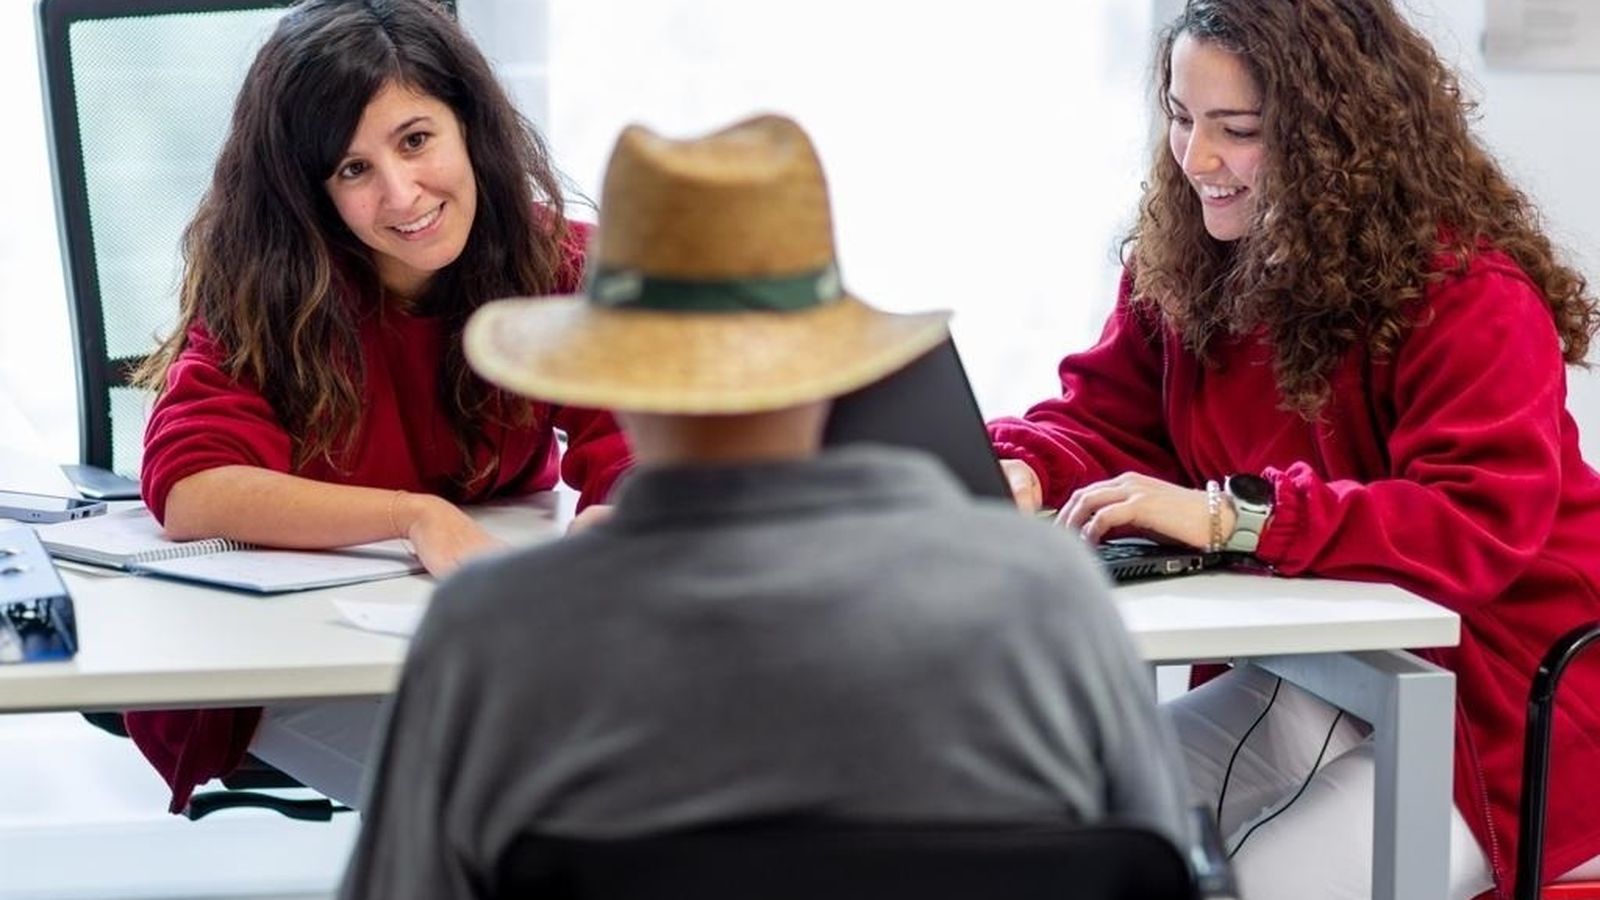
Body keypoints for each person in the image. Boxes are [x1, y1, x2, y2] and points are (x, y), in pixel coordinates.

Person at [339, 114, 1191, 899]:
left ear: (608, 384)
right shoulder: (1045, 597)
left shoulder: (488, 635)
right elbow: (1150, 870)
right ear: (834, 363)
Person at [989, 1, 1600, 897]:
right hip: (1323, 674)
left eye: (1237, 130)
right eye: (1180, 116)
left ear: (1333, 136)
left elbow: (1472, 525)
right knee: (1072, 820)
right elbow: (1112, 419)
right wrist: (1027, 469)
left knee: (1251, 882)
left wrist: (1229, 518)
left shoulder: (1472, 292)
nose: (1196, 160)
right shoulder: (1193, 263)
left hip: (1505, 704)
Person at [124, 0, 630, 814]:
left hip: (496, 642)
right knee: (527, 816)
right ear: (311, 189)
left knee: (642, 781)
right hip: (296, 657)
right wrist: (413, 516)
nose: (402, 194)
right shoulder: (270, 285)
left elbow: (635, 436)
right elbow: (193, 486)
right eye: (353, 170)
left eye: (416, 139)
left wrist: (617, 519)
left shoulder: (556, 261)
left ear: (470, 127)